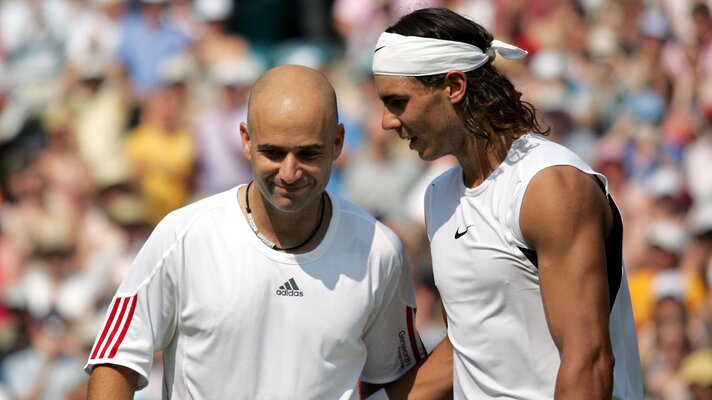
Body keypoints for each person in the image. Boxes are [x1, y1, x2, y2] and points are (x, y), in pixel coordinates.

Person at [84, 65, 425, 399]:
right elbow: (116, 359)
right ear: (246, 140)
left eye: (308, 153)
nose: (289, 172)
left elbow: (397, 381)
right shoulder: (184, 235)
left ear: (337, 142)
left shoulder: (378, 249)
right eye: (273, 152)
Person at [369, 7, 643, 400]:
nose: (386, 122)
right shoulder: (438, 195)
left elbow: (588, 360)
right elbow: (471, 347)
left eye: (397, 102)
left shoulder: (549, 186)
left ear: (454, 86)